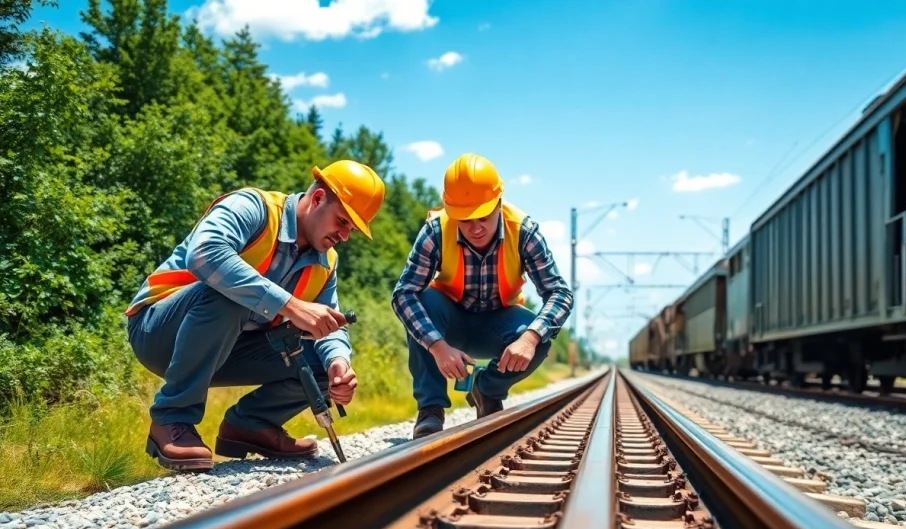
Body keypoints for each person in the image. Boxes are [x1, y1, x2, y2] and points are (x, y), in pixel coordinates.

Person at [125, 160, 386, 471]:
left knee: (319, 365)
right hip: (157, 331)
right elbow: (205, 252)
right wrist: (291, 305)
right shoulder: (253, 207)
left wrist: (338, 363)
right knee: (232, 292)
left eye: (352, 229)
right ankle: (172, 418)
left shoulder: (326, 262)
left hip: (226, 348)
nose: (344, 235)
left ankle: (251, 425)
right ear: (317, 199)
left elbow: (330, 322)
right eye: (342, 221)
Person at [392, 153, 574, 439]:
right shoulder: (435, 231)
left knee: (538, 333)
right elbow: (403, 294)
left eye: (484, 217)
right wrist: (438, 347)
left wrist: (529, 339)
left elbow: (560, 293)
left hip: (497, 325)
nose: (475, 228)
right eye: (465, 220)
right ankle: (430, 409)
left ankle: (486, 389)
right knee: (422, 302)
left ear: (499, 203)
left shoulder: (524, 231)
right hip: (448, 322)